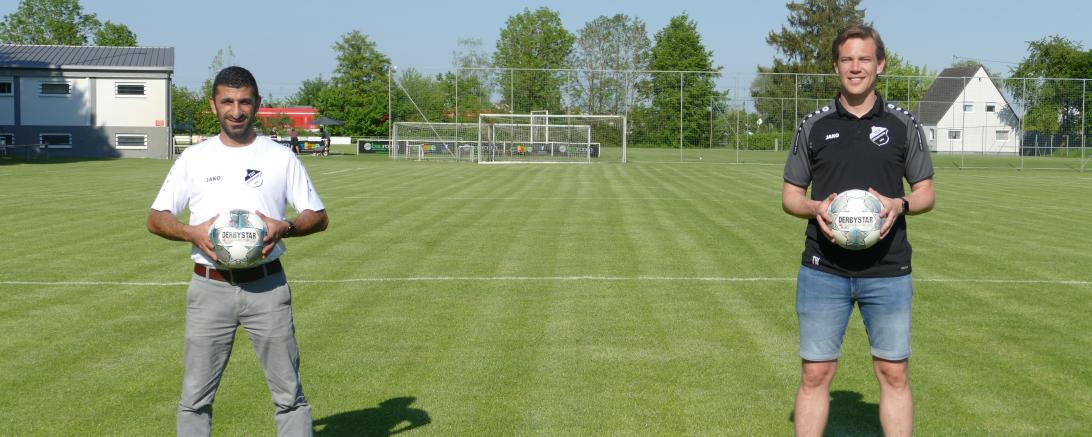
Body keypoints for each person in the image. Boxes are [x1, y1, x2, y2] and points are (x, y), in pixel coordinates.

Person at [147, 66, 328, 437]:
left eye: (244, 101)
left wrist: (286, 226)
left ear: (257, 104)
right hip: (209, 288)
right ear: (213, 105)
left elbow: (318, 216)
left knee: (289, 395)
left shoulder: (280, 157)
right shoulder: (194, 159)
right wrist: (191, 233)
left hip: (267, 288)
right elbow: (156, 217)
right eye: (227, 101)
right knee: (194, 397)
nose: (236, 110)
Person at [781, 24, 935, 437]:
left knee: (893, 372)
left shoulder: (905, 125)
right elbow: (791, 196)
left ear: (879, 65)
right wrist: (815, 207)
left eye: (864, 59)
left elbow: (925, 193)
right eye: (847, 59)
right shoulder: (812, 125)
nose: (856, 67)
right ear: (836, 67)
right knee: (815, 374)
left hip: (887, 270)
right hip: (822, 270)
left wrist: (898, 203)